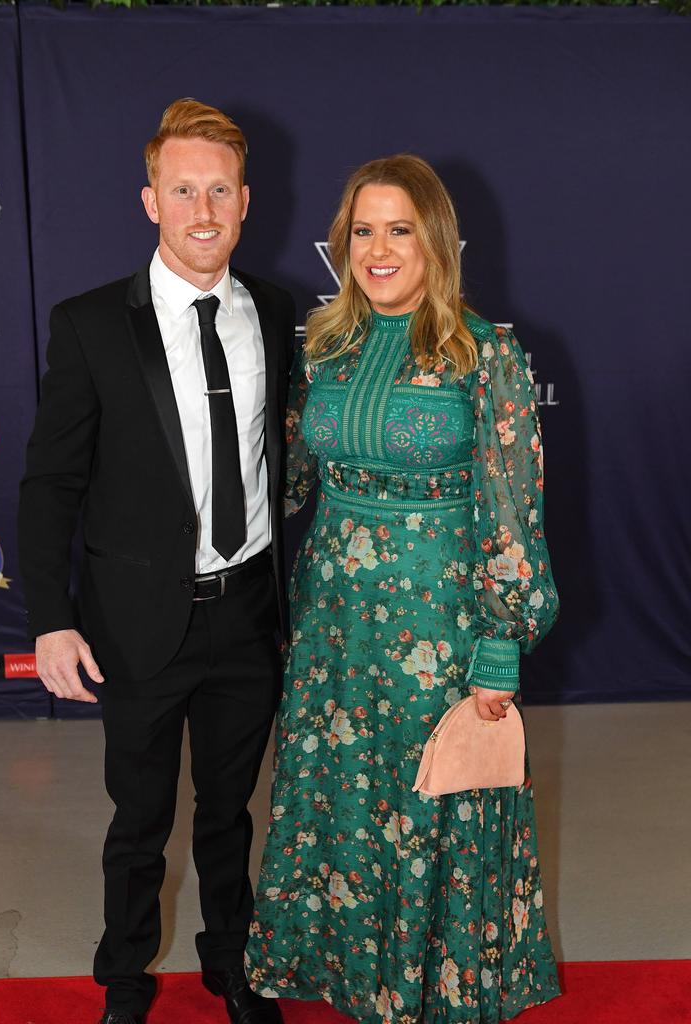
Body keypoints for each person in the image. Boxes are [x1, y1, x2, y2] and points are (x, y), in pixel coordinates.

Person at [246, 155, 560, 1022]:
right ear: (343, 242)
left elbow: (513, 508)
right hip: (335, 627)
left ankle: (433, 991)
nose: (378, 249)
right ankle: (357, 982)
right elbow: (290, 481)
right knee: (345, 801)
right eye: (362, 230)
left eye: (400, 230)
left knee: (433, 803)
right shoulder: (326, 346)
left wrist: (500, 646)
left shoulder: (484, 352)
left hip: (442, 628)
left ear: (436, 242)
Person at [18, 99, 293, 1024]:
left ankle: (233, 968)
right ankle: (126, 981)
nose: (203, 208)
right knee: (139, 821)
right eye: (183, 189)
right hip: (134, 622)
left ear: (247, 200)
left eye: (220, 189)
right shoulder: (91, 323)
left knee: (229, 814)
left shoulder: (280, 313)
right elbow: (50, 482)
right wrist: (50, 620)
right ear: (150, 201)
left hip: (247, 612)